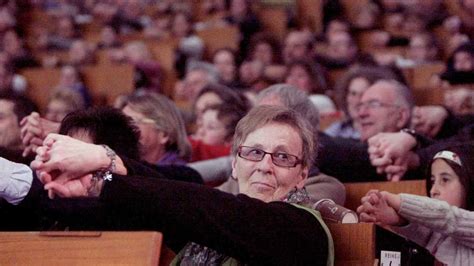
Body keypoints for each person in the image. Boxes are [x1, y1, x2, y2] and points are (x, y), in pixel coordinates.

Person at [32, 105, 333, 265]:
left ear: (302, 174)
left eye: (282, 157)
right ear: (234, 163)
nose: (265, 166)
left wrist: (107, 159)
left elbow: (216, 212)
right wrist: (102, 175)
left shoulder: (303, 230)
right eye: (254, 153)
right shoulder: (205, 221)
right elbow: (166, 195)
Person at [357, 144, 474, 265]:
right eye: (432, 181)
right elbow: (429, 236)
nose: (433, 190)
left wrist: (394, 199)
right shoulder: (441, 238)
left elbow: (449, 217)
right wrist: (397, 220)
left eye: (445, 180)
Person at [326, 65, 401, 139]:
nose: (357, 101)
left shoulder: (381, 131)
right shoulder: (338, 128)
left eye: (363, 94)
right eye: (353, 94)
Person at [122, 92, 192, 166]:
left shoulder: (179, 174)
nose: (122, 129)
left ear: (164, 134)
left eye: (132, 121)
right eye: (120, 122)